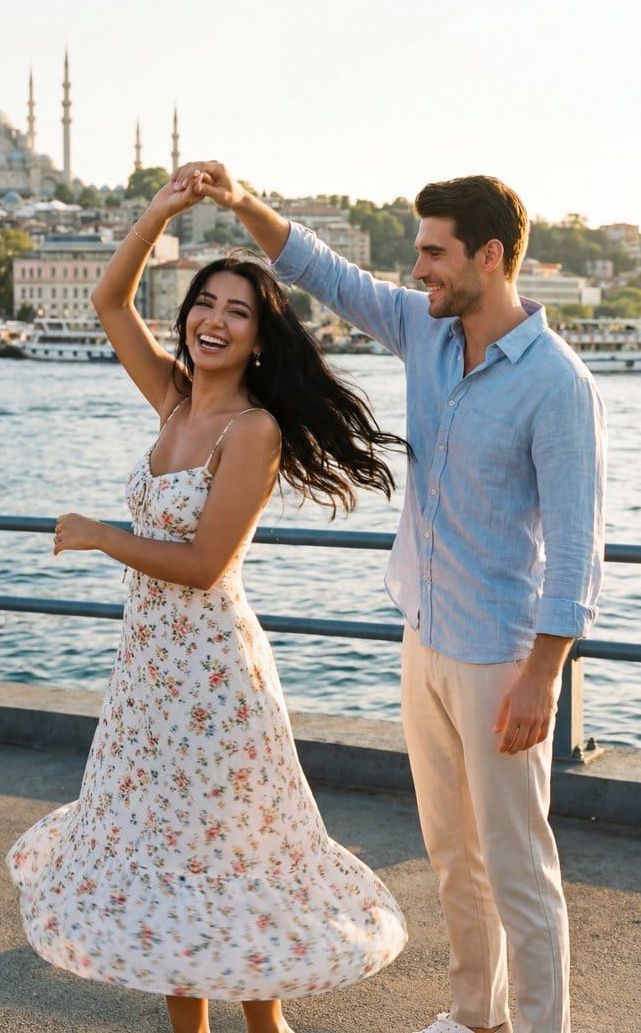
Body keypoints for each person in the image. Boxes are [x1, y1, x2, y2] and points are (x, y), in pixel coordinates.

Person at [171, 161, 607, 1033]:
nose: (419, 271)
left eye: (435, 254)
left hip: (500, 656)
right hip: (424, 637)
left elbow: (577, 544)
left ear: (490, 256)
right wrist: (238, 201)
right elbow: (324, 272)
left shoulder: (558, 383)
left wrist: (543, 673)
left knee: (519, 868)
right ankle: (473, 1015)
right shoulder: (426, 331)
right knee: (453, 855)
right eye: (417, 253)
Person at [6, 174, 409, 1033]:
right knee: (167, 862)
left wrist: (101, 533)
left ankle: (266, 1023)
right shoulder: (175, 400)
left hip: (214, 680)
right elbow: (110, 300)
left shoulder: (253, 430)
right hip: (148, 678)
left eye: (237, 312)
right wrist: (160, 213)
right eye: (204, 305)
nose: (213, 322)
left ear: (261, 339)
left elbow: (202, 563)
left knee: (234, 856)